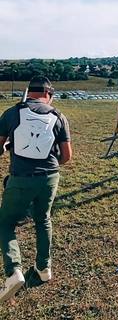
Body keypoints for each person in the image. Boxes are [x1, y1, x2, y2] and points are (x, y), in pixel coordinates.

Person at [0, 76, 72, 303]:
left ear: (29, 91)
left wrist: (7, 147)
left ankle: (14, 271)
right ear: (49, 94)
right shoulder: (59, 116)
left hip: (21, 178)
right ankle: (44, 268)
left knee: (6, 223)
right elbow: (67, 157)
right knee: (43, 219)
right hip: (50, 178)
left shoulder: (12, 113)